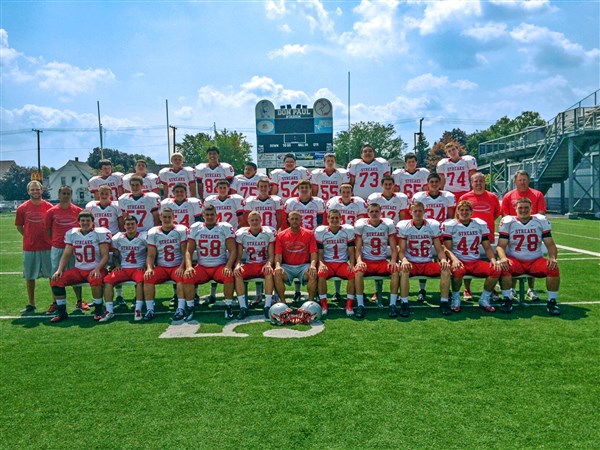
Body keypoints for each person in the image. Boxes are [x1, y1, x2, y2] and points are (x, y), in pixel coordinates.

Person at [496, 197, 560, 315]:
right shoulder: (508, 222)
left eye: (526, 208)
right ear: (515, 208)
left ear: (531, 208)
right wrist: (503, 258)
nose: (523, 210)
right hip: (515, 260)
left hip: (535, 260)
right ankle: (507, 299)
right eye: (520, 208)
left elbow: (550, 244)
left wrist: (552, 258)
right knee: (504, 266)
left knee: (553, 267)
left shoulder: (540, 221)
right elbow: (500, 246)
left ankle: (552, 301)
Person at [49, 211, 111, 323]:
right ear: (78, 222)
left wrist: (97, 269)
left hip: (95, 268)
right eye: (83, 221)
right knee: (56, 280)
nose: (85, 223)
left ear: (93, 222)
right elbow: (67, 254)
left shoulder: (99, 234)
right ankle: (62, 312)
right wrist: (59, 270)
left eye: (88, 221)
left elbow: (105, 255)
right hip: (79, 269)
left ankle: (98, 310)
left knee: (96, 279)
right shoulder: (72, 234)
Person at [442, 200, 502, 313]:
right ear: (457, 212)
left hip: (475, 261)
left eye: (467, 210)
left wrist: (493, 260)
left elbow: (487, 247)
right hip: (459, 260)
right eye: (462, 210)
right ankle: (455, 298)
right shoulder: (451, 226)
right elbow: (446, 249)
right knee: (458, 271)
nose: (464, 212)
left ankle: (484, 298)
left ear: (472, 212)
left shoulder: (479, 225)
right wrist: (454, 259)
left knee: (495, 269)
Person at [182, 204, 237, 321]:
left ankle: (228, 306)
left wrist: (228, 266)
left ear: (217, 215)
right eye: (207, 215)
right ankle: (190, 307)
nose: (210, 217)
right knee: (188, 277)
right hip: (202, 267)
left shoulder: (224, 227)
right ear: (203, 216)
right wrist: (188, 266)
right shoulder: (196, 228)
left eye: (212, 214)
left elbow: (233, 250)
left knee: (229, 275)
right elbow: (188, 251)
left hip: (219, 266)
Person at [397, 202, 451, 317]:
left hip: (427, 262)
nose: (417, 213)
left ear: (424, 212)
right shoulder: (404, 226)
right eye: (415, 211)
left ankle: (444, 301)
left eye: (420, 211)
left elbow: (439, 249)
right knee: (403, 270)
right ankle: (404, 302)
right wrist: (405, 260)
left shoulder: (432, 226)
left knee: (446, 269)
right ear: (410, 212)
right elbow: (401, 251)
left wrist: (443, 260)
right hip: (412, 263)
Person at [500, 170, 548, 301]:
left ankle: (531, 289)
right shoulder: (509, 196)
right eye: (520, 180)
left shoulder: (537, 194)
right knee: (514, 257)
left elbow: (541, 213)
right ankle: (512, 289)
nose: (522, 182)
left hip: (533, 230)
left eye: (525, 179)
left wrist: (528, 224)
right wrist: (518, 225)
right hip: (513, 231)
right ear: (515, 181)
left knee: (533, 255)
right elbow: (505, 215)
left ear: (529, 180)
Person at [412, 173, 456, 302]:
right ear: (427, 183)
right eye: (432, 181)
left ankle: (448, 290)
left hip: (440, 232)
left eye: (437, 181)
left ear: (440, 183)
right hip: (424, 231)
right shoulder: (420, 198)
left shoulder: (447, 197)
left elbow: (450, 217)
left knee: (445, 259)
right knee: (422, 257)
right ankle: (422, 289)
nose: (434, 184)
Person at [458, 172, 501, 300]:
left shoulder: (492, 197)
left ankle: (490, 289)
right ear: (471, 183)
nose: (478, 184)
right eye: (475, 181)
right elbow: (459, 215)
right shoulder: (465, 197)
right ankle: (467, 289)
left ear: (485, 182)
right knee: (468, 260)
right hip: (468, 236)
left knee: (489, 263)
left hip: (487, 235)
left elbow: (496, 214)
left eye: (481, 181)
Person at [353, 203, 399, 319]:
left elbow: (394, 248)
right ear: (368, 213)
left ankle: (392, 304)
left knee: (395, 271)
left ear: (381, 213)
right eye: (371, 211)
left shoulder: (387, 225)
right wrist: (359, 261)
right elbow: (358, 249)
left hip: (382, 261)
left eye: (376, 211)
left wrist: (393, 261)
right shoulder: (361, 226)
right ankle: (360, 305)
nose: (374, 213)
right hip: (367, 261)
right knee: (358, 272)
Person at [143, 208, 188, 321]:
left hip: (176, 266)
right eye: (165, 217)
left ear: (174, 217)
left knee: (181, 278)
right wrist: (149, 268)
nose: (167, 219)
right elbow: (150, 255)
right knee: (148, 277)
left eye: (169, 217)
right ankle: (150, 309)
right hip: (162, 267)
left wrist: (182, 266)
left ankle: (181, 308)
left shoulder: (180, 230)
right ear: (160, 217)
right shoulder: (153, 232)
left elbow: (185, 253)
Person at [45, 185, 84, 314]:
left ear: (71, 195)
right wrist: (56, 241)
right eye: (64, 193)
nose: (66, 196)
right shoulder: (51, 211)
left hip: (74, 248)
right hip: (58, 247)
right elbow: (48, 230)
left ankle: (79, 301)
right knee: (55, 275)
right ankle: (56, 302)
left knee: (75, 274)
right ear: (59, 195)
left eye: (68, 193)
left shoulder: (78, 211)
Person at [15, 180, 53, 313]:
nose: (35, 192)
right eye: (32, 189)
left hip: (48, 246)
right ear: (28, 191)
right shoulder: (22, 208)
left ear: (42, 191)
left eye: (37, 189)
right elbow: (20, 226)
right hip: (30, 247)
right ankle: (31, 303)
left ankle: (55, 302)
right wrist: (29, 236)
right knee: (30, 276)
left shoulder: (49, 207)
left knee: (52, 275)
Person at [101, 215, 147, 322]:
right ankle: (109, 310)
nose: (130, 226)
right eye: (128, 224)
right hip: (124, 268)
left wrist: (145, 265)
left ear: (137, 225)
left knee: (140, 281)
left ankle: (138, 309)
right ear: (124, 226)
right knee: (107, 280)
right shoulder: (118, 238)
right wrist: (117, 265)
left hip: (138, 268)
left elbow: (151, 253)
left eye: (132, 224)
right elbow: (116, 255)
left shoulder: (144, 237)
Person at [233, 211, 276, 319]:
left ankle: (267, 305)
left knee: (269, 272)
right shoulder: (242, 234)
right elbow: (238, 256)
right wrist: (238, 265)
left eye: (257, 220)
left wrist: (269, 264)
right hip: (250, 264)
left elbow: (271, 255)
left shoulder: (268, 233)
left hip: (263, 263)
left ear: (261, 220)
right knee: (237, 274)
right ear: (248, 221)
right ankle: (243, 307)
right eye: (252, 220)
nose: (254, 222)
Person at [315, 209, 356, 317]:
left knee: (353, 273)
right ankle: (324, 304)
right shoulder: (321, 232)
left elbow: (351, 251)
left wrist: (352, 264)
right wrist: (321, 263)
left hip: (342, 263)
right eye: (332, 218)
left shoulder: (347, 231)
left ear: (341, 219)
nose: (334, 220)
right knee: (321, 274)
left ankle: (349, 304)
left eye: (337, 218)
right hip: (328, 263)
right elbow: (320, 252)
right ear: (327, 219)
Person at [273, 211, 318, 304]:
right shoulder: (281, 235)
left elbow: (313, 253)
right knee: (277, 274)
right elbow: (278, 255)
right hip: (287, 266)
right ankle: (283, 303)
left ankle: (311, 302)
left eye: (297, 219)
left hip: (304, 266)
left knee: (313, 273)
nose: (294, 221)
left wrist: (313, 265)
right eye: (292, 219)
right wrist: (278, 266)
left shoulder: (309, 234)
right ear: (288, 220)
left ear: (301, 220)